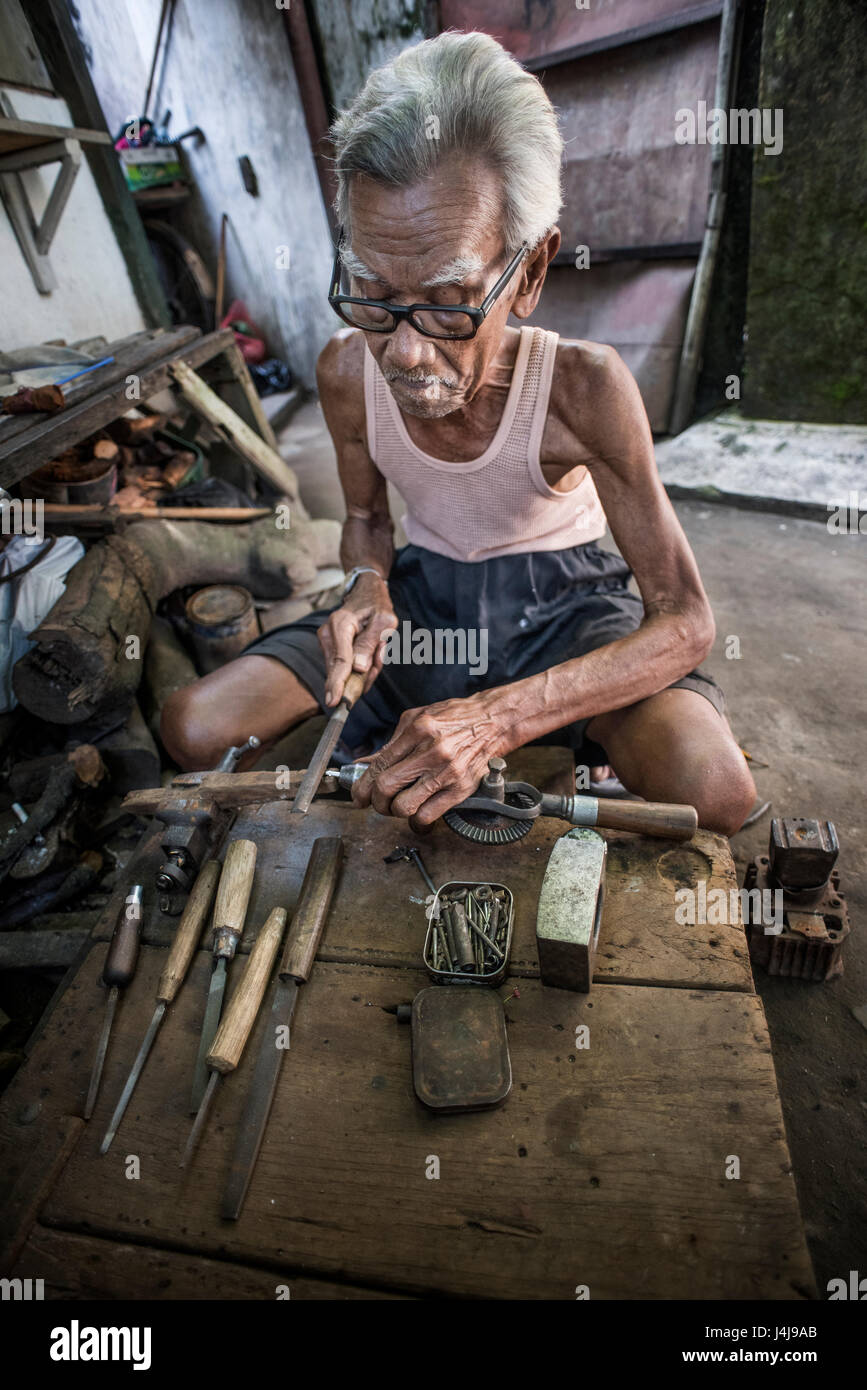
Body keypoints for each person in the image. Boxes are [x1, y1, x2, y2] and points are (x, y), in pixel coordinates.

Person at [162, 31, 756, 836]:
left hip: (566, 608)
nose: (404, 353)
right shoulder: (345, 370)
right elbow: (367, 523)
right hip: (424, 604)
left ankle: (550, 729)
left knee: (712, 791)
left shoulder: (583, 386)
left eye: (448, 303)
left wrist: (498, 718)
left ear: (532, 273)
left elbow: (683, 620)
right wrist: (365, 587)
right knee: (195, 729)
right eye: (371, 294)